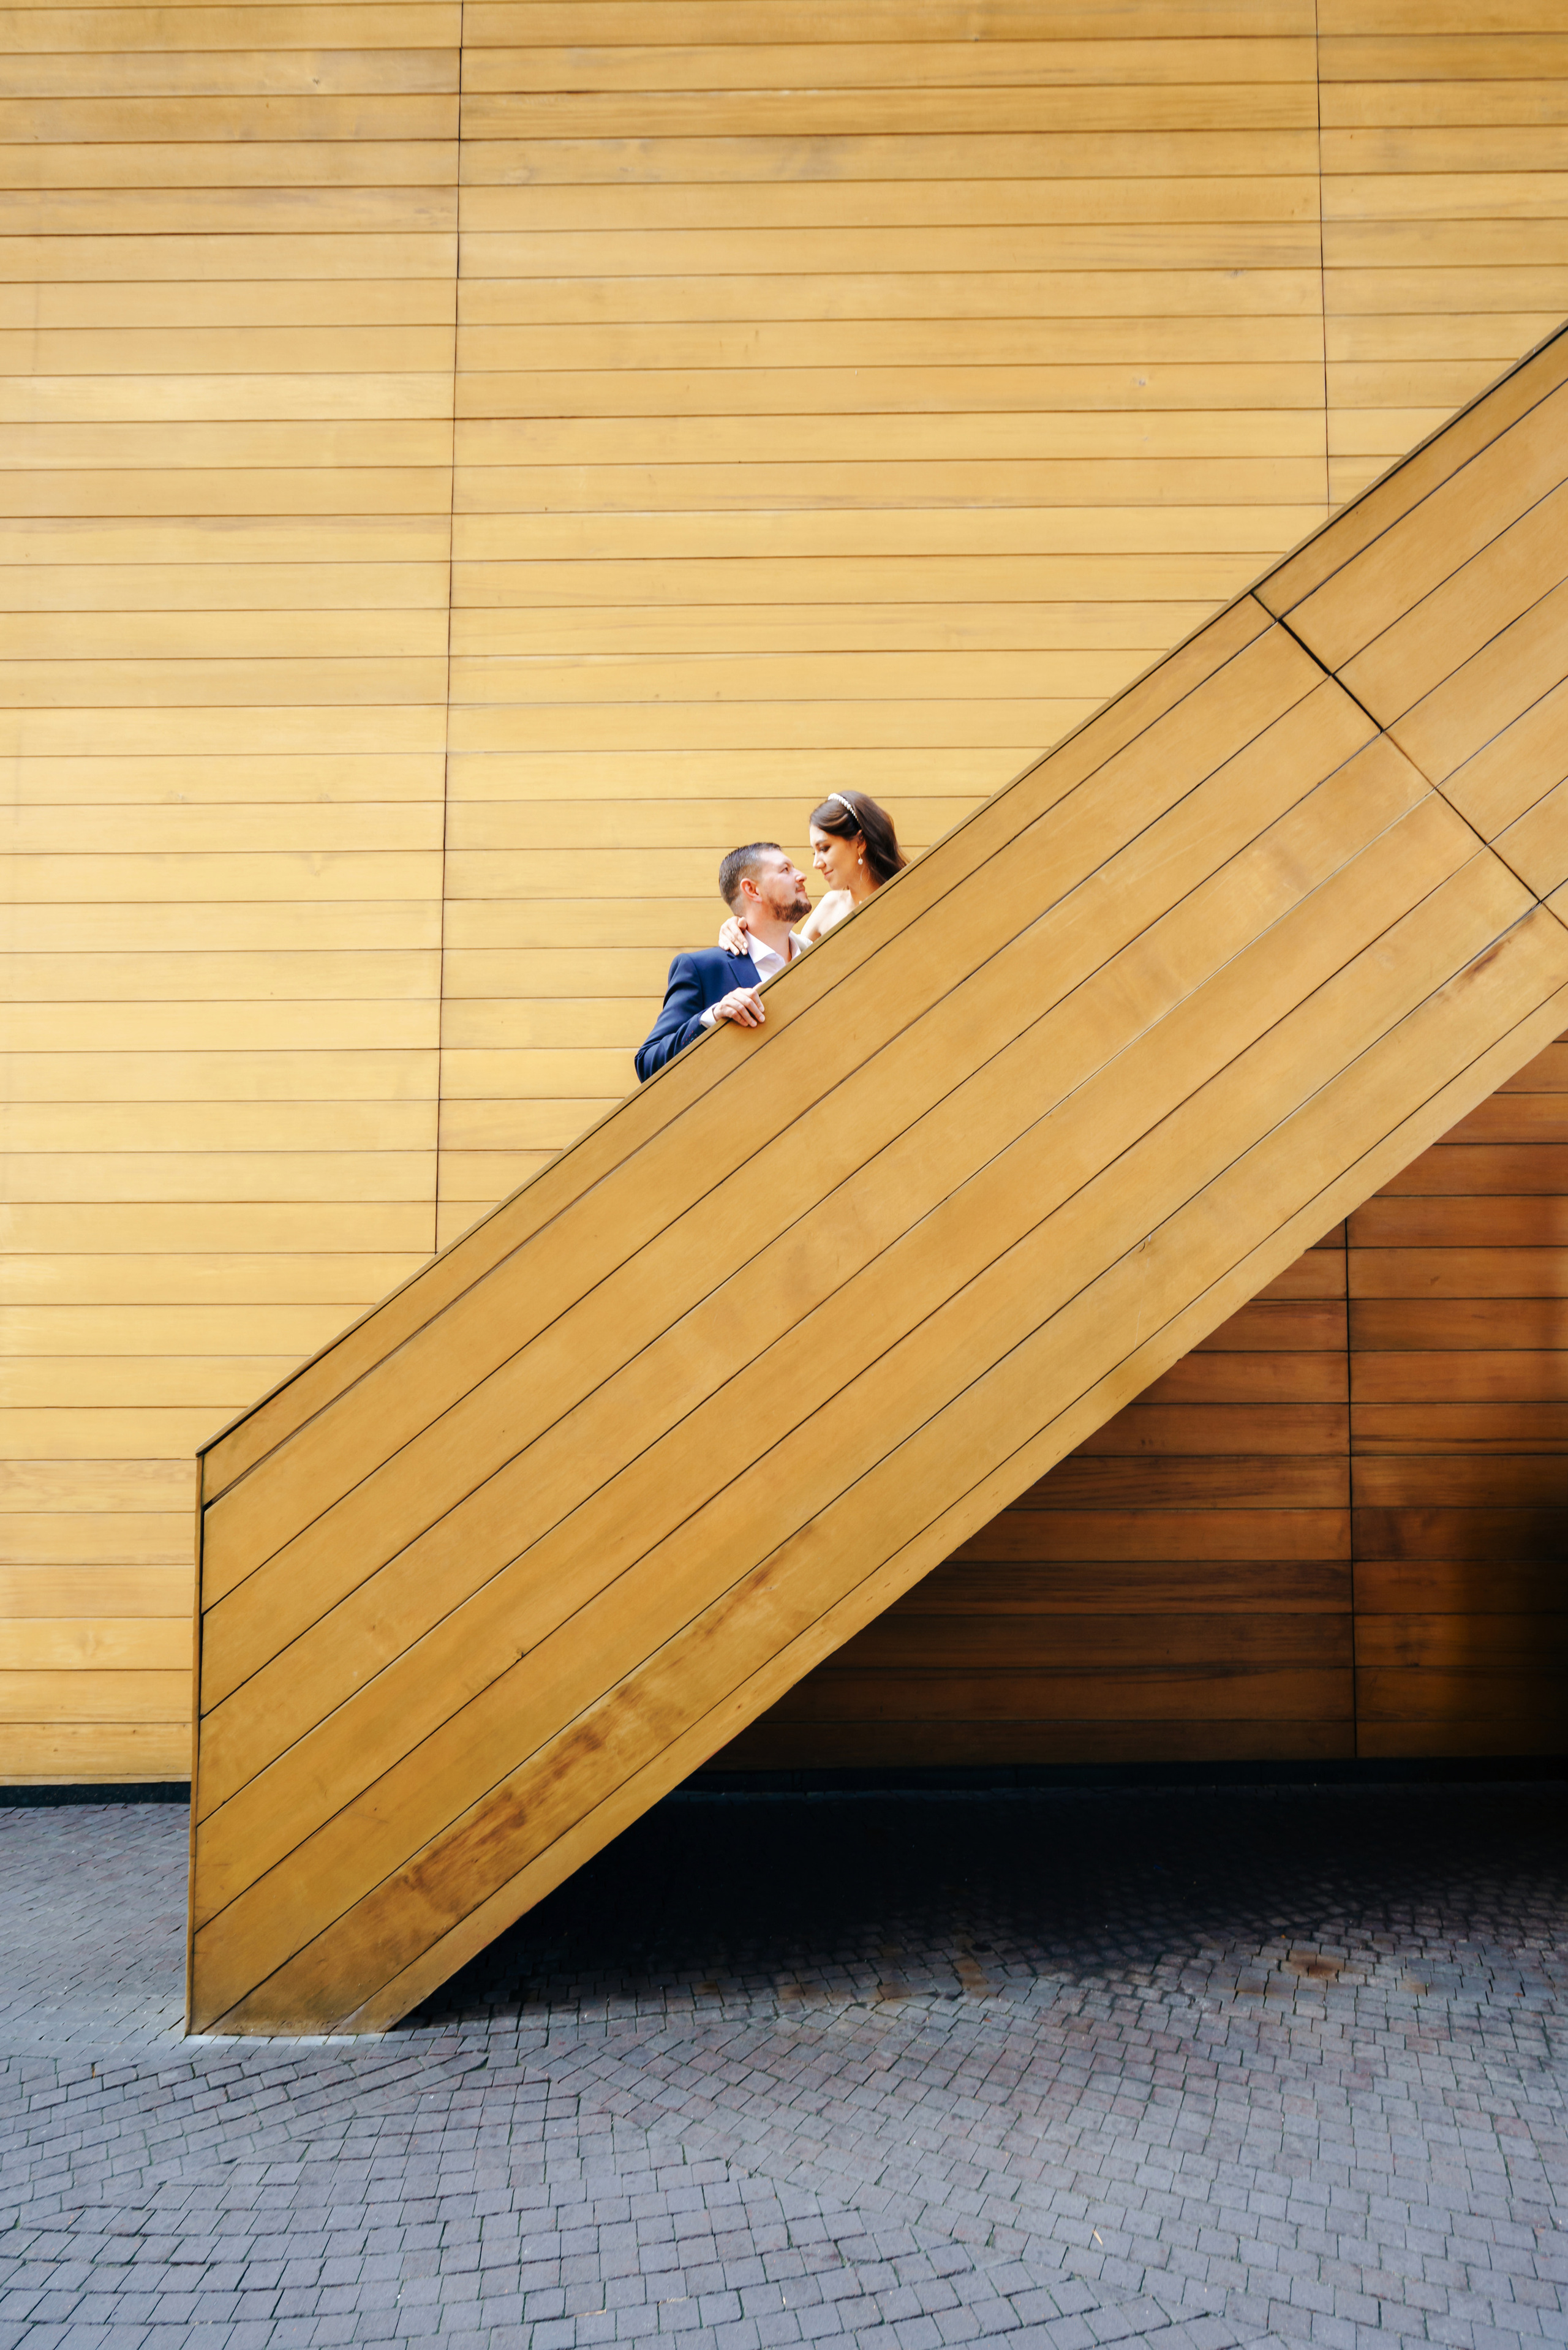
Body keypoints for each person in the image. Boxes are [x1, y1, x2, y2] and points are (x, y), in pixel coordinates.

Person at [635, 842, 812, 1082]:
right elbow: (648, 1064)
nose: (802, 876)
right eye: (786, 870)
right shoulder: (702, 969)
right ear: (752, 890)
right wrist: (713, 1016)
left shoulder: (818, 957)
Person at [718, 788, 906, 960]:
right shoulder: (830, 907)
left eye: (824, 848)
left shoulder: (906, 896)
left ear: (860, 842)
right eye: (814, 853)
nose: (816, 864)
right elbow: (787, 959)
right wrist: (740, 928)